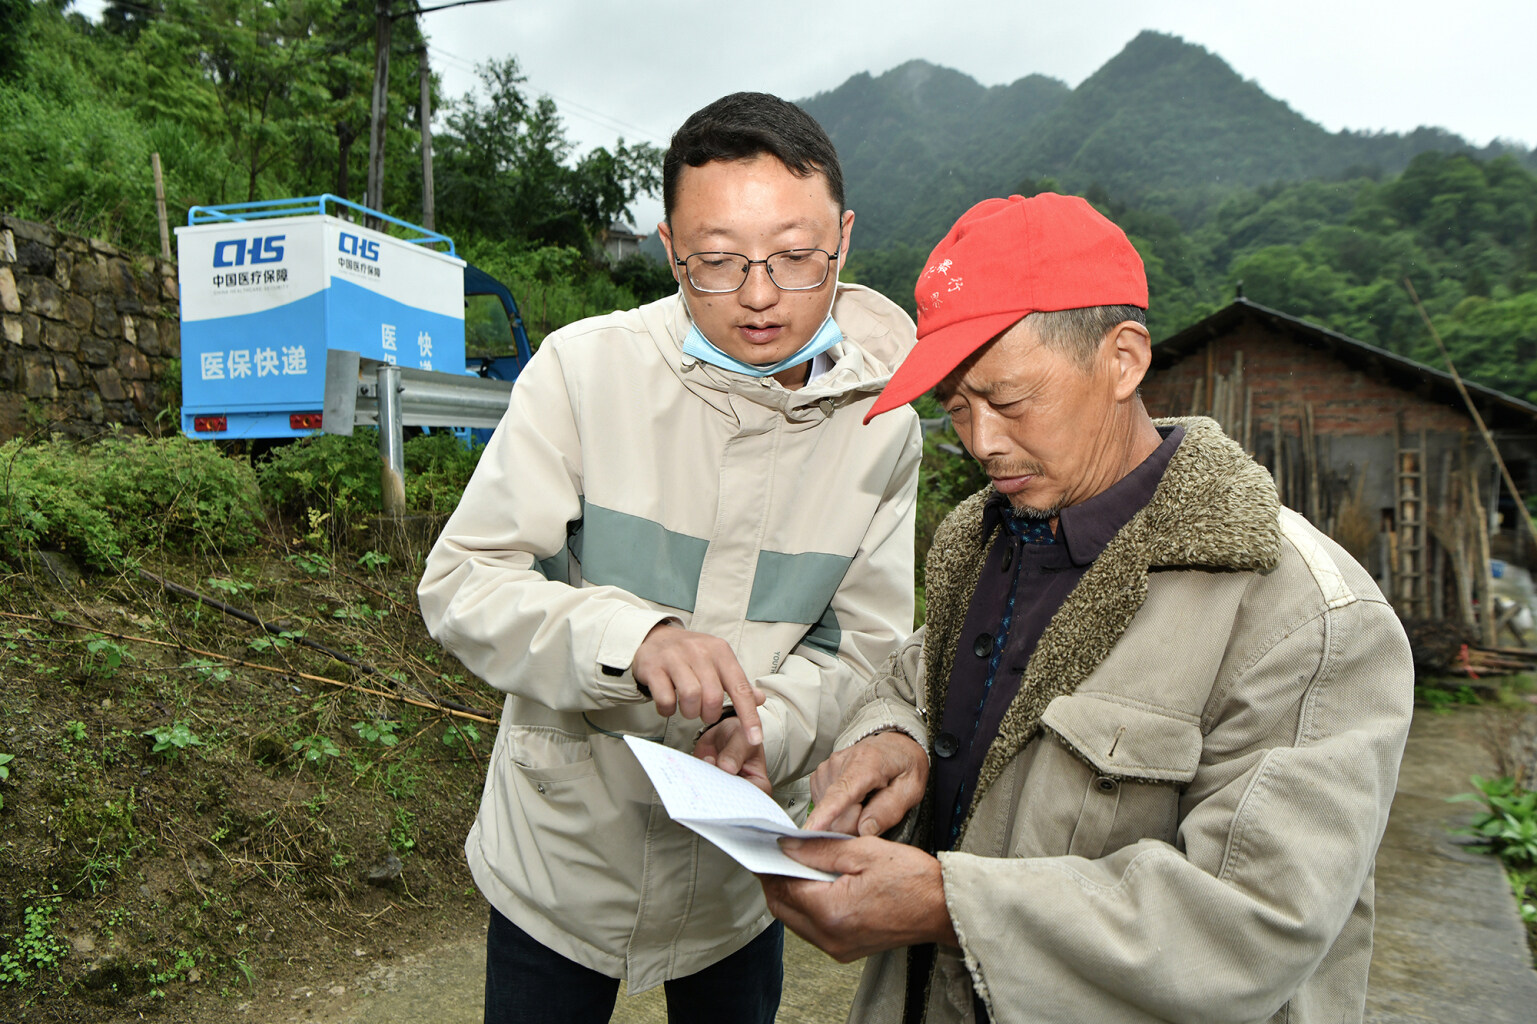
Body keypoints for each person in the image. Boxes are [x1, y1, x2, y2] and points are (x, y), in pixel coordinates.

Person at [760, 192, 1414, 1024]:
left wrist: (944, 903)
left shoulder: (1306, 616)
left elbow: (1251, 924)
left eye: (1008, 398)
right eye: (957, 408)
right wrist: (891, 735)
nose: (982, 442)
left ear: (1123, 359)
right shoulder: (988, 540)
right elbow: (916, 677)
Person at [416, 91, 921, 1024]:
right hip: (560, 852)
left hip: (738, 874)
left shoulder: (884, 423)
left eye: (796, 257)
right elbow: (463, 583)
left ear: (843, 239)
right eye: (718, 261)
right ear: (667, 245)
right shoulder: (584, 370)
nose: (761, 294)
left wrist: (772, 725)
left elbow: (863, 645)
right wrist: (630, 636)